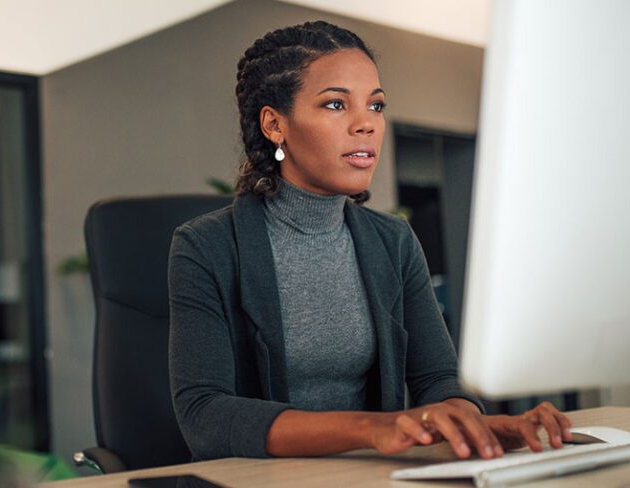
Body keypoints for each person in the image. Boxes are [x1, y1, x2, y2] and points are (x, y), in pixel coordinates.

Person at [167, 21, 572, 461]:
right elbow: (205, 415)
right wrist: (371, 428)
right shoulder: (205, 246)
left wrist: (469, 425)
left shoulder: (393, 241)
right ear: (274, 124)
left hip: (371, 476)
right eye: (336, 104)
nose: (366, 125)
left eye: (376, 106)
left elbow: (437, 378)